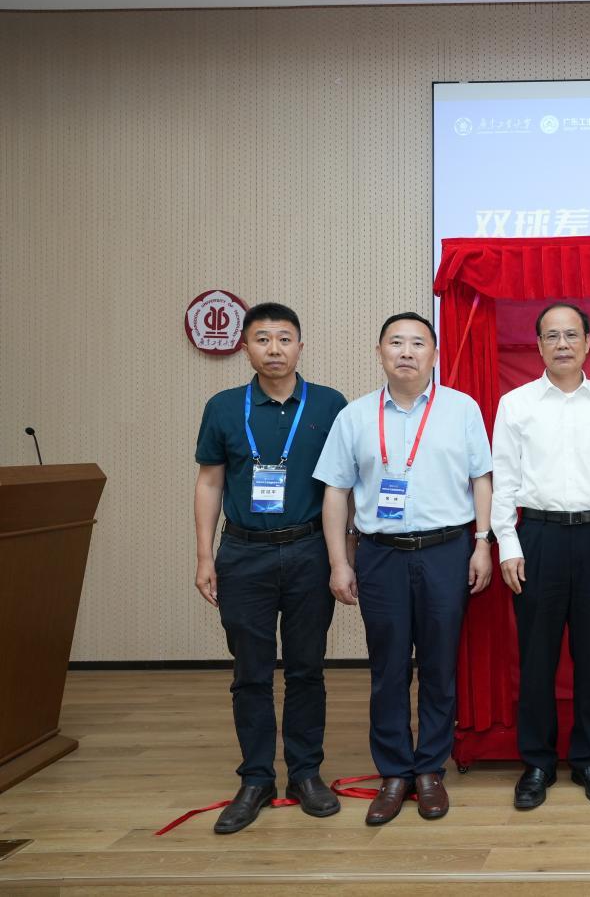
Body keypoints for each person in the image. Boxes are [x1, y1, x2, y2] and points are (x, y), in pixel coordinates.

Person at [313, 312, 494, 826]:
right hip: (381, 555)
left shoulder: (461, 409)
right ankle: (394, 772)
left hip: (445, 551)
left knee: (439, 664)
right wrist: (339, 562)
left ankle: (430, 769)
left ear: (434, 354)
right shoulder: (355, 416)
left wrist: (482, 543)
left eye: (418, 343)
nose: (407, 352)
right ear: (380, 353)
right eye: (396, 343)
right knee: (388, 667)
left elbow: (482, 479)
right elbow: (336, 492)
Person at [193, 302, 348, 834]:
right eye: (263, 339)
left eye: (284, 339)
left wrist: (342, 555)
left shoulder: (329, 404)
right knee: (251, 672)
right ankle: (256, 778)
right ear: (246, 348)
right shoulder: (223, 407)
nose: (274, 349)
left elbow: (342, 486)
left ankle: (305, 773)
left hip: (308, 551)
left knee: (306, 668)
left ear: (301, 346)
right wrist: (204, 555)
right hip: (243, 554)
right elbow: (210, 481)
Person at [492, 303, 590, 810]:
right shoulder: (515, 404)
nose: (562, 344)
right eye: (552, 336)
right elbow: (503, 480)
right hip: (537, 538)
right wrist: (508, 543)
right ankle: (537, 762)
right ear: (538, 345)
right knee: (537, 657)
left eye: (571, 335)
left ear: (588, 342)